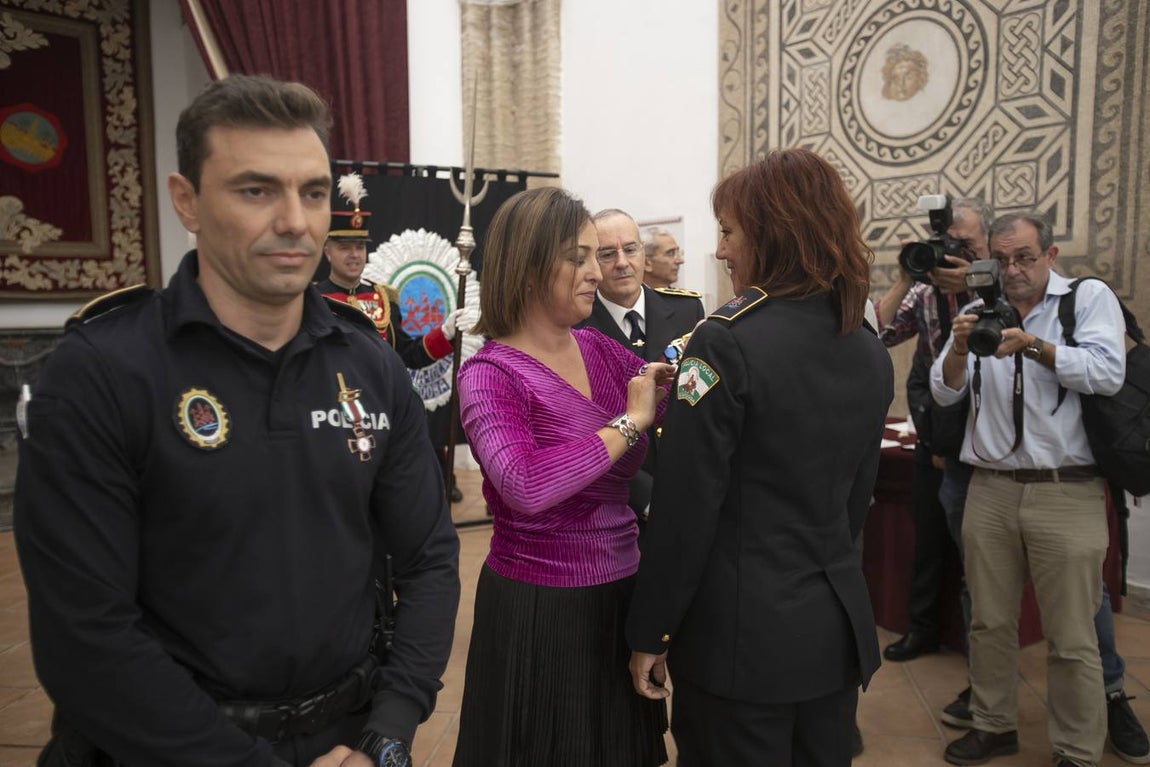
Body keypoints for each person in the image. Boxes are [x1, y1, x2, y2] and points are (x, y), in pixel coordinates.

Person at [14, 74, 460, 767]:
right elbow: (87, 638)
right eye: (257, 190)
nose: (296, 220)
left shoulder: (368, 364)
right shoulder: (103, 372)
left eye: (313, 191)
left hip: (344, 741)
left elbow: (430, 558)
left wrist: (391, 734)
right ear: (186, 200)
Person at [627, 147, 894, 766]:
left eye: (727, 231)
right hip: (831, 632)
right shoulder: (864, 347)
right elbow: (856, 501)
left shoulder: (724, 342)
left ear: (771, 233)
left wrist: (652, 631)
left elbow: (685, 510)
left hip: (740, 644)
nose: (720, 250)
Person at [452, 187, 675, 766]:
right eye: (578, 258)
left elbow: (676, 408)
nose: (595, 274)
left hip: (623, 597)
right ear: (527, 267)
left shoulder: (603, 352)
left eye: (593, 257)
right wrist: (629, 424)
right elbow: (525, 484)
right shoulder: (489, 374)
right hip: (540, 612)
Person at [931, 212, 1126, 767]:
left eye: (1025, 257)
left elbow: (1107, 372)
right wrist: (958, 351)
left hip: (1066, 488)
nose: (1013, 270)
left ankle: (1077, 750)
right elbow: (947, 396)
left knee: (1071, 634)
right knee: (988, 621)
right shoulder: (975, 310)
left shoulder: (1084, 300)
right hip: (989, 489)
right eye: (1003, 259)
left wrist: (1033, 346)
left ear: (1051, 254)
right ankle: (994, 725)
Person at [875, 197, 994, 663]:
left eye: (964, 243)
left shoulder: (1000, 295)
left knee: (976, 562)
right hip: (934, 436)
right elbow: (880, 334)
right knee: (927, 545)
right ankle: (922, 631)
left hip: (985, 443)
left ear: (986, 243)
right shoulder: (925, 296)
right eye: (944, 244)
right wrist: (908, 274)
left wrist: (976, 282)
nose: (952, 253)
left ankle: (980, 658)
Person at [315, 175, 467, 502]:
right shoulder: (311, 300)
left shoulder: (385, 297)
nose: (354, 254)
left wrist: (446, 334)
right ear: (327, 251)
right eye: (345, 247)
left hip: (388, 411)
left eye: (359, 246)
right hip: (337, 414)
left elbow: (408, 355)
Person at [577, 208, 704, 518]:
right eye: (607, 254)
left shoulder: (687, 309)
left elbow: (701, 400)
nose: (622, 263)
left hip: (689, 485)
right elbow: (583, 427)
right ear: (592, 261)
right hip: (620, 501)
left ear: (643, 256)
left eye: (630, 249)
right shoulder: (577, 329)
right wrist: (646, 498)